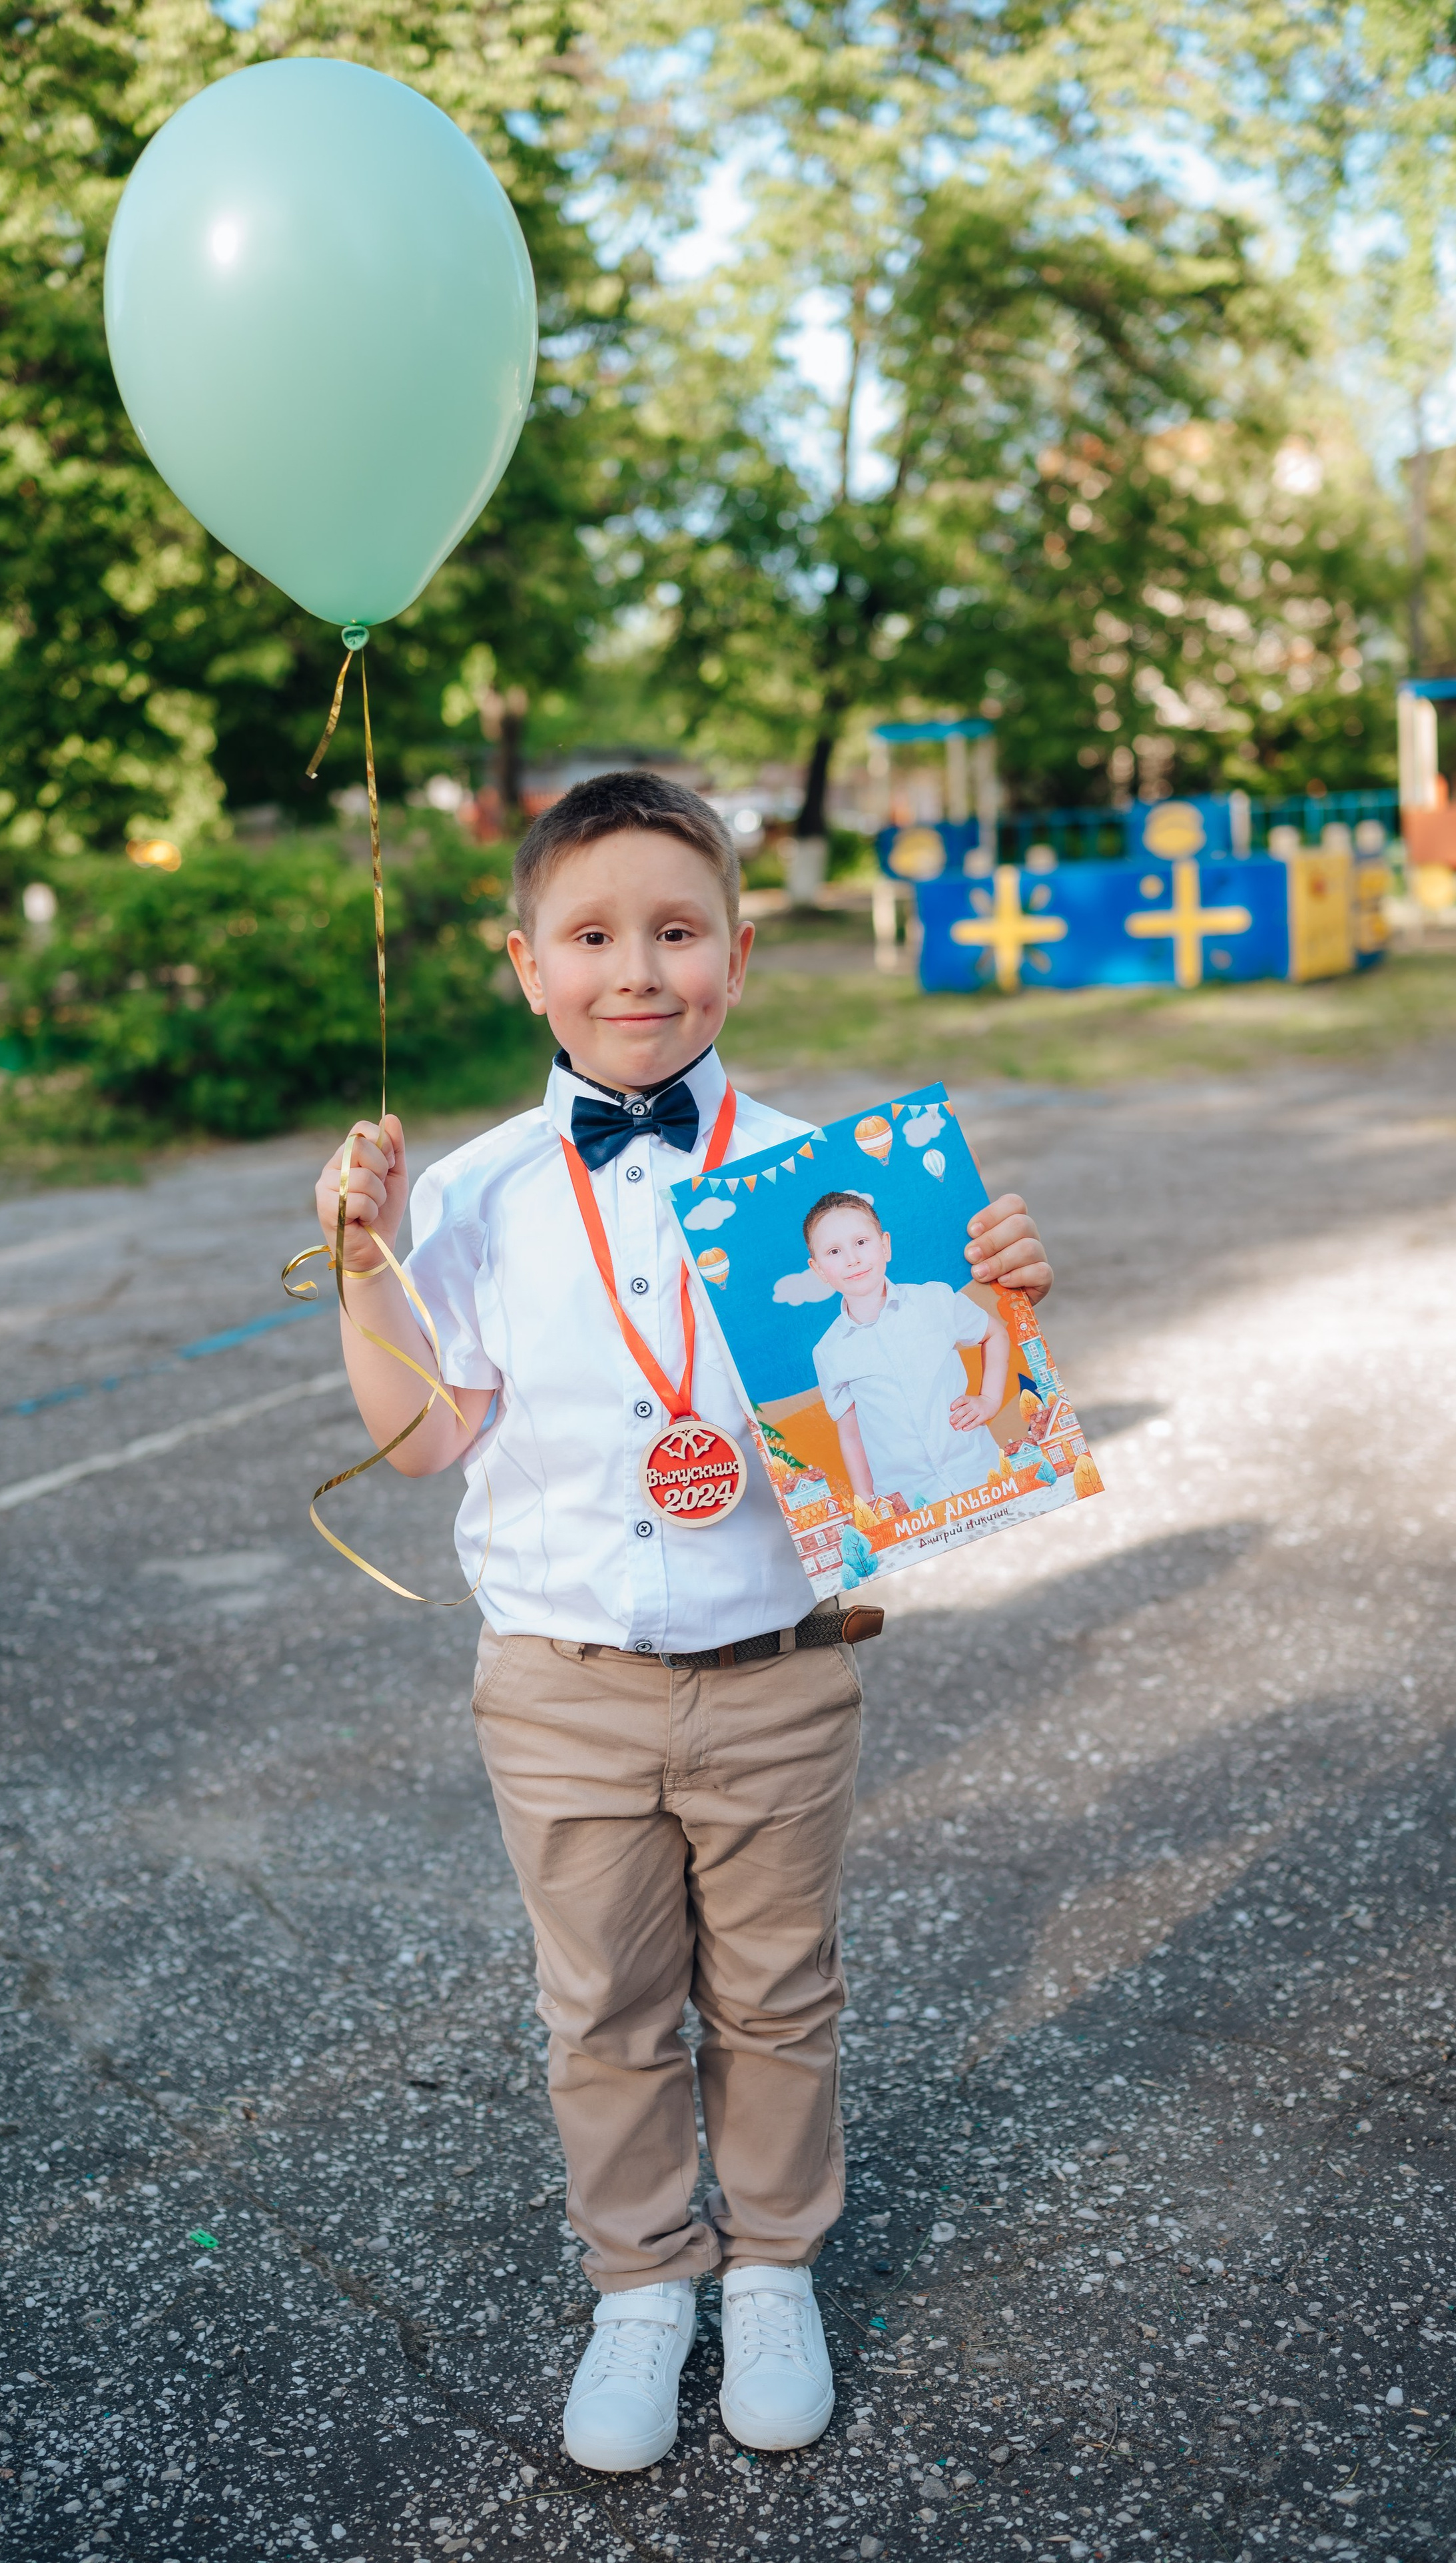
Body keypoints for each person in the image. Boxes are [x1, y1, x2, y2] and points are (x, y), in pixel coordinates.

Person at [312, 773, 1052, 2474]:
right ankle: (642, 2280)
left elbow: (949, 1421)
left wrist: (999, 1300)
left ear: (735, 950)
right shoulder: (484, 1192)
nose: (633, 970)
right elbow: (426, 1436)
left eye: (675, 930)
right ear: (524, 963)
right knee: (604, 2007)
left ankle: (774, 2258)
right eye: (589, 936)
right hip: (558, 1682)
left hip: (777, 1671)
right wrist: (363, 1259)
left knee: (780, 1992)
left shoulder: (827, 1176)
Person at [805, 1192, 1010, 1511]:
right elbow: (851, 1434)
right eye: (834, 1251)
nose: (852, 1259)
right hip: (912, 1502)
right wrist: (869, 1503)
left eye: (861, 1242)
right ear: (818, 1269)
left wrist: (990, 1399)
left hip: (980, 1473)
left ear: (884, 1245)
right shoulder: (829, 1351)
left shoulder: (936, 1300)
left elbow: (994, 1333)